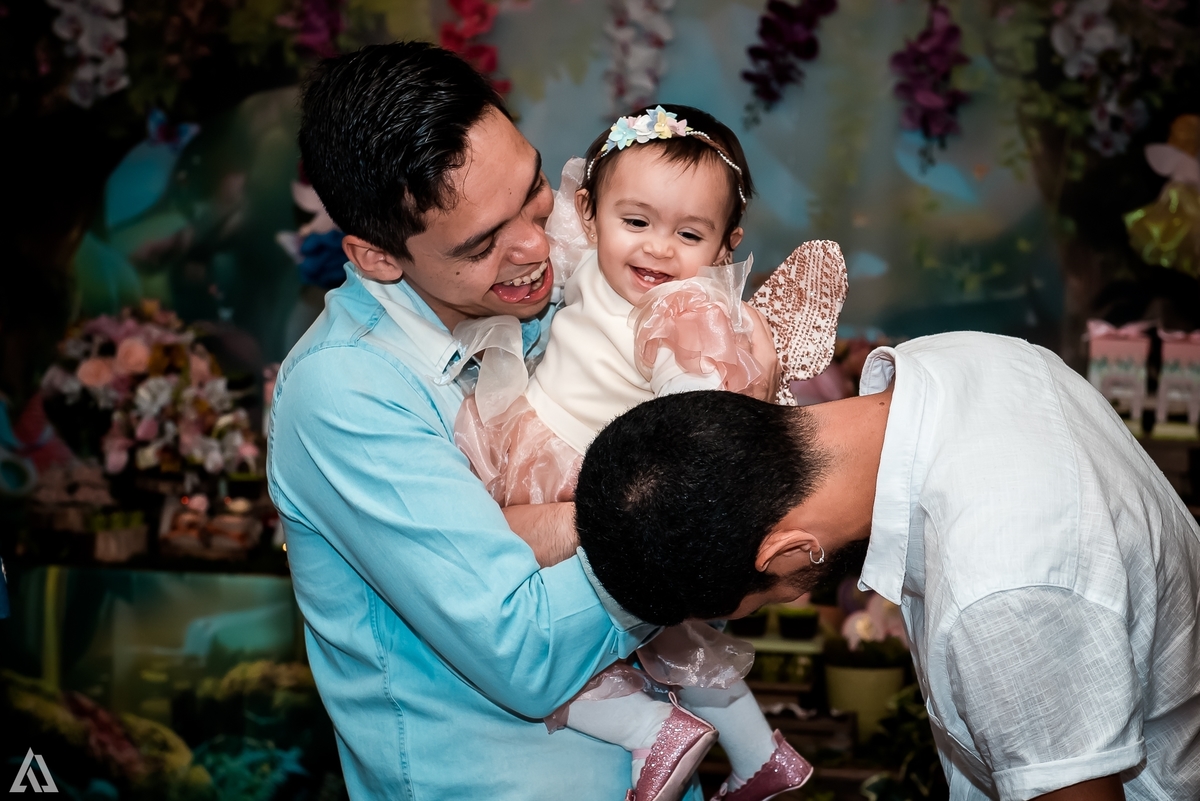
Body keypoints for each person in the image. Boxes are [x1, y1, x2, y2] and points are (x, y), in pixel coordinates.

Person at [267, 42, 685, 799]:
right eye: (483, 243)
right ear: (378, 256)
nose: (534, 244)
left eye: (532, 190)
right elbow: (527, 650)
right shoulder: (346, 388)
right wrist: (682, 519)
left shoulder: (552, 286)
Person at [574, 331, 1200, 801]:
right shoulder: (955, 361)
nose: (782, 602)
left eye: (758, 602)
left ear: (788, 551)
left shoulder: (1001, 592)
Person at [453, 105, 846, 801]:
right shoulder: (588, 261)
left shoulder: (683, 310)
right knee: (667, 637)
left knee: (521, 626)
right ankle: (758, 752)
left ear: (724, 247)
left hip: (584, 475)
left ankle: (649, 729)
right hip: (556, 452)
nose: (659, 249)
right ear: (589, 213)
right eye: (636, 221)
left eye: (689, 234)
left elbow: (692, 417)